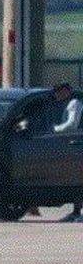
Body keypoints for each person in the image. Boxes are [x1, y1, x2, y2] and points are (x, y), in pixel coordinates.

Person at [50, 83, 83, 222]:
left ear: (66, 91)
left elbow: (72, 124)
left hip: (77, 144)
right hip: (72, 145)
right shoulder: (65, 104)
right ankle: (76, 211)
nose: (57, 95)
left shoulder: (74, 103)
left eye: (59, 92)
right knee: (75, 179)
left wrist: (55, 130)